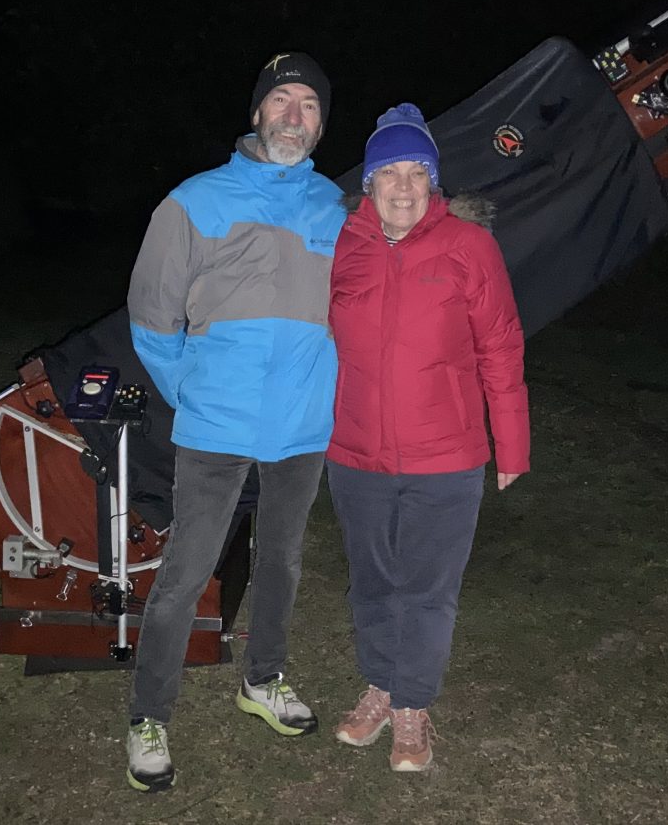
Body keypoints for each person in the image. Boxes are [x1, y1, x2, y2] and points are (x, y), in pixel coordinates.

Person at [124, 52, 345, 792]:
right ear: (258, 112)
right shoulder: (195, 201)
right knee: (187, 571)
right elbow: (153, 314)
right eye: (282, 99)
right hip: (216, 423)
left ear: (319, 125)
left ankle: (264, 677)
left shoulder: (333, 210)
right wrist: (192, 386)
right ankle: (149, 715)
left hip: (303, 427)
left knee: (282, 562)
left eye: (308, 105)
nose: (293, 115)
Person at [326, 103, 530, 772]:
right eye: (391, 172)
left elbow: (500, 346)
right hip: (356, 454)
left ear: (434, 181)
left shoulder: (470, 248)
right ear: (370, 182)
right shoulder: (341, 245)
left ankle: (413, 705)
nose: (405, 186)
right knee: (373, 582)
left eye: (419, 172)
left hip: (446, 457)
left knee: (427, 588)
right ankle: (380, 686)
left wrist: (513, 442)